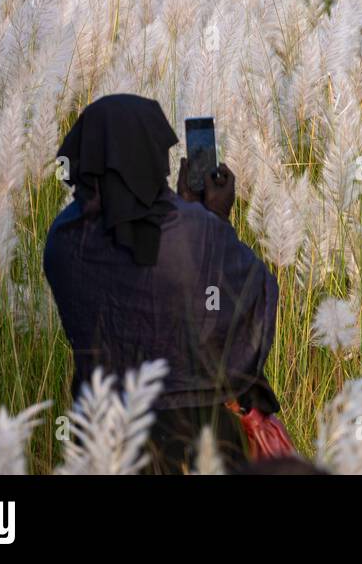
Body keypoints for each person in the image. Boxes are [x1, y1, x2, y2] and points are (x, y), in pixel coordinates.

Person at [43, 93, 281, 474]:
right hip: (201, 439)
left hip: (104, 439)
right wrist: (214, 217)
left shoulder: (63, 240)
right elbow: (247, 298)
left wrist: (187, 210)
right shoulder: (194, 232)